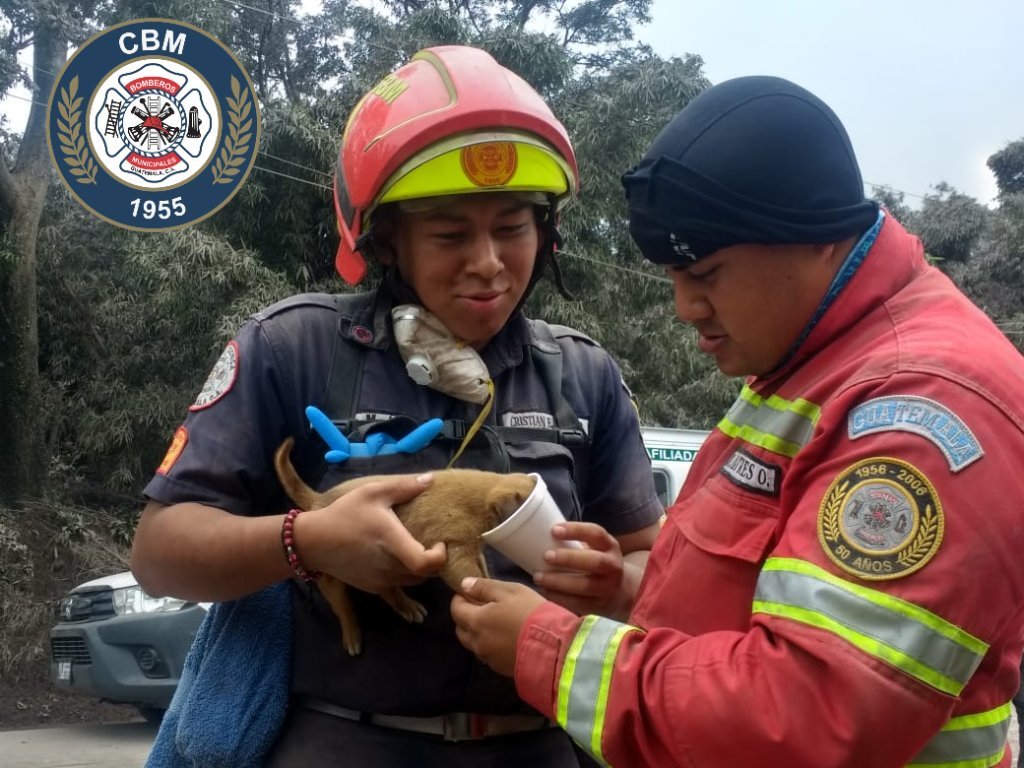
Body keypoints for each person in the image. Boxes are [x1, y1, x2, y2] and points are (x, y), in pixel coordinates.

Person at [451, 75, 1024, 767]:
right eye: (672, 278)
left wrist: (551, 649)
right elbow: (759, 593)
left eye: (708, 273)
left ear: (815, 238)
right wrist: (629, 588)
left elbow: (803, 719)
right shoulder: (809, 363)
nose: (684, 307)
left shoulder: (918, 412)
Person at [130, 44, 663, 767]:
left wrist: (612, 585)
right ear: (386, 241)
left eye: (513, 227)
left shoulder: (582, 373)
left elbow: (653, 576)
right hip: (344, 741)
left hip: (544, 747)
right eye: (449, 234)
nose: (488, 262)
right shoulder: (295, 349)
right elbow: (161, 555)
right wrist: (305, 541)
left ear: (548, 233)